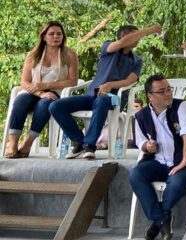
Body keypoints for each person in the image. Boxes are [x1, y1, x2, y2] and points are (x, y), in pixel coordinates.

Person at [50, 23, 160, 160]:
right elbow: (121, 43)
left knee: (102, 100)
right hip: (92, 96)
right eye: (135, 35)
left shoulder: (136, 60)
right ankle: (79, 140)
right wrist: (150, 30)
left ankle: (90, 145)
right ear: (123, 36)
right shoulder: (108, 47)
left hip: (113, 98)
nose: (138, 39)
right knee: (56, 106)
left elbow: (129, 81)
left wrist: (110, 84)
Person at [129, 74, 186, 240]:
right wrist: (147, 146)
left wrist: (185, 159)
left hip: (184, 161)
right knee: (135, 175)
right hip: (158, 162)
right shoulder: (141, 116)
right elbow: (140, 141)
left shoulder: (181, 106)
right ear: (150, 96)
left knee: (176, 182)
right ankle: (162, 219)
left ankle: (157, 221)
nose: (168, 94)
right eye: (162, 91)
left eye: (169, 89)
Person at [5, 21, 79, 158]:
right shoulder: (33, 54)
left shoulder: (69, 54)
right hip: (33, 91)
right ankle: (13, 143)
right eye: (51, 34)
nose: (55, 37)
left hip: (55, 92)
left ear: (63, 37)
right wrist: (40, 92)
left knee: (45, 103)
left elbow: (72, 81)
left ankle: (27, 144)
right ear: (44, 36)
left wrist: (44, 87)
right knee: (21, 99)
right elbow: (24, 81)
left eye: (59, 34)